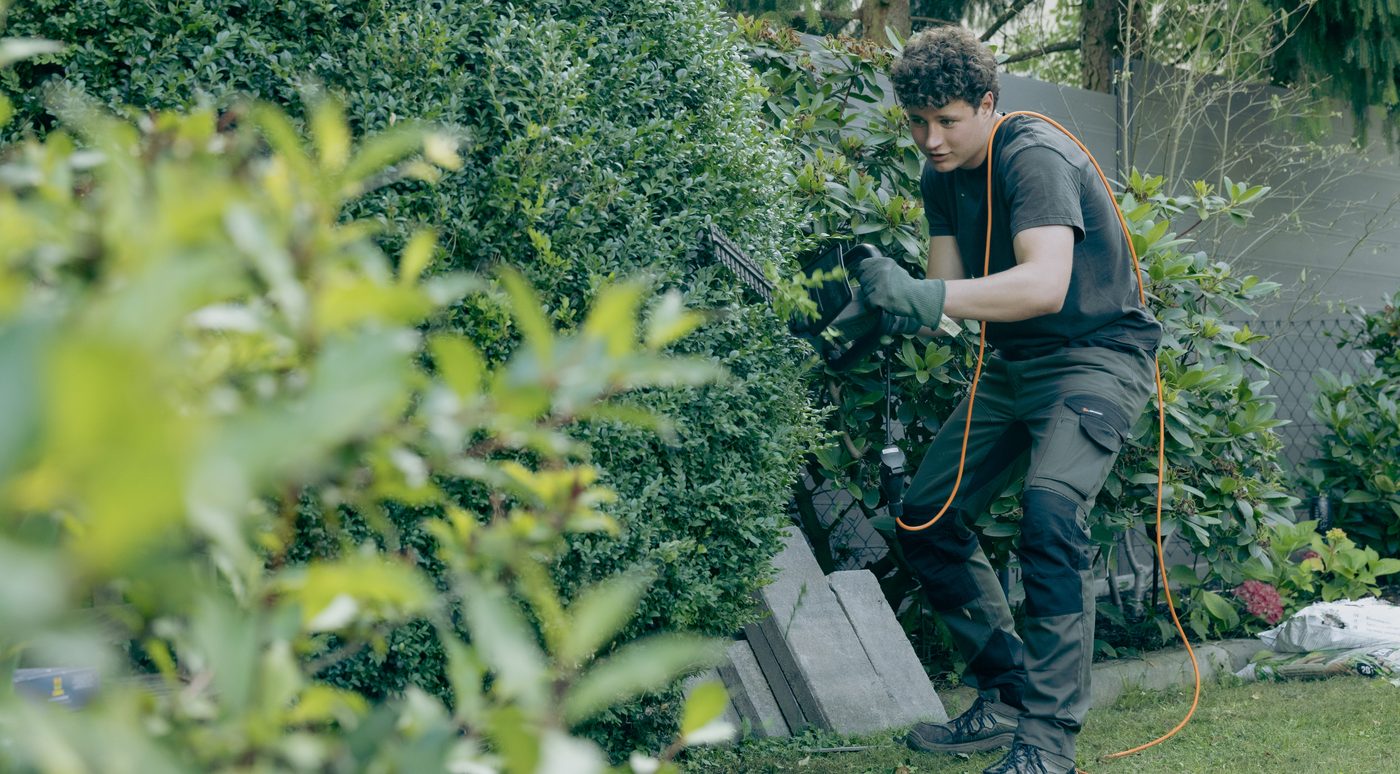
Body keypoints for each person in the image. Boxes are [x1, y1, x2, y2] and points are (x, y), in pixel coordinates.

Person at [853, 25, 1161, 774]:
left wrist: (924, 296)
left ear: (988, 104)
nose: (930, 139)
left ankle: (1047, 747)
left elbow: (1043, 284)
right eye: (916, 122)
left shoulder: (1034, 155)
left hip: (1096, 359)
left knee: (1051, 516)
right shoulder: (941, 174)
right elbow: (946, 297)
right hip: (1013, 366)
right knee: (926, 518)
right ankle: (1006, 696)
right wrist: (872, 306)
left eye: (947, 121)